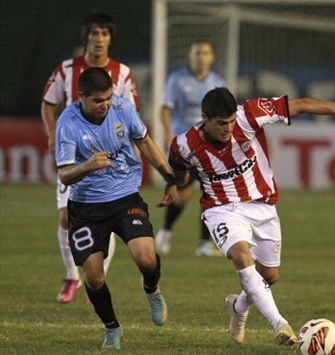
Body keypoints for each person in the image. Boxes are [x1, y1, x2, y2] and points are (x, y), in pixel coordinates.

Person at [167, 87, 335, 346]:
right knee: (242, 256)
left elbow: (301, 104)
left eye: (231, 122)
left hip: (262, 205)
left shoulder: (249, 115)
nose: (228, 128)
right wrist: (172, 186)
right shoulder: (184, 144)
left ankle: (238, 306)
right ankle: (280, 324)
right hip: (220, 209)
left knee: (269, 276)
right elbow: (177, 168)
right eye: (221, 123)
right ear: (204, 118)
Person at [55, 67, 175, 349]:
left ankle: (151, 288)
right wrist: (87, 166)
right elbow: (64, 175)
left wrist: (169, 177)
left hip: (125, 197)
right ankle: (112, 328)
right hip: (86, 207)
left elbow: (143, 141)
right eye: (98, 100)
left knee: (146, 259)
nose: (105, 105)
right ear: (81, 97)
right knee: (95, 277)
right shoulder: (68, 123)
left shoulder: (122, 108)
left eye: (108, 97)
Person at [42, 13, 140, 303]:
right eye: (94, 33)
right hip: (73, 156)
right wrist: (51, 134)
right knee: (65, 217)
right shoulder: (66, 69)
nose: (99, 39)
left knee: (106, 216)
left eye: (104, 34)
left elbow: (130, 114)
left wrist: (132, 148)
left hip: (108, 157)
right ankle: (72, 275)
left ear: (110, 38)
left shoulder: (122, 73)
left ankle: (97, 279)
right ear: (86, 37)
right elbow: (49, 104)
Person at [155, 40, 225, 257]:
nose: (201, 57)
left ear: (211, 57)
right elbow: (165, 109)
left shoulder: (218, 83)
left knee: (212, 193)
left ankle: (204, 242)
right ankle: (166, 230)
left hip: (209, 147)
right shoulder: (177, 79)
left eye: (205, 53)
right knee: (183, 194)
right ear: (190, 56)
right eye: (197, 53)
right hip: (184, 146)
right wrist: (168, 134)